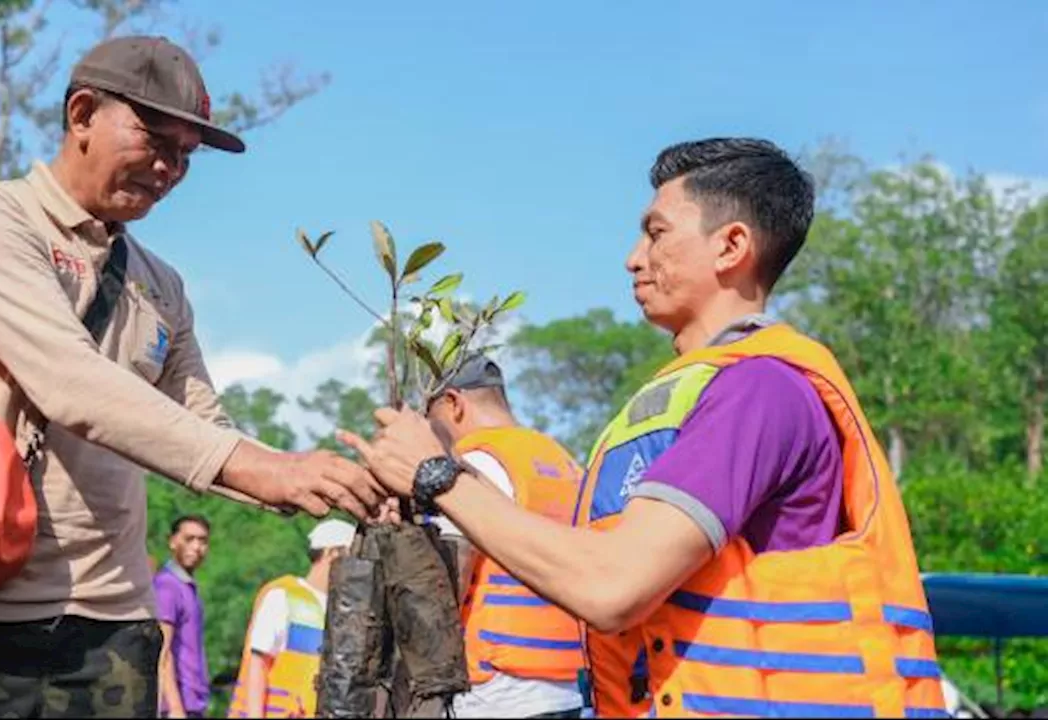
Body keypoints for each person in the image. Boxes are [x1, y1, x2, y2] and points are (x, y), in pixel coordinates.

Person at [0, 35, 385, 719]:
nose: (170, 167)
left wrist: (317, 479)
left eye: (186, 154)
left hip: (109, 631)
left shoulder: (162, 286)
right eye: (156, 138)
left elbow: (204, 424)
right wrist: (255, 467)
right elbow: (67, 379)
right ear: (83, 113)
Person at [341, 138, 948, 718]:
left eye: (657, 232)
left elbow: (612, 584)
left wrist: (438, 473)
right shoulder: (690, 394)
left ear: (731, 246)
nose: (634, 257)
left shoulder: (758, 390)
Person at [422, 355, 586, 719]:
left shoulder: (475, 463)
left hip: (497, 690)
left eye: (431, 421)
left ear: (453, 403)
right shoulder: (563, 459)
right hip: (569, 684)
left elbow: (455, 573)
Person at [228, 519, 356, 719]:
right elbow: (258, 664)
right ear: (332, 553)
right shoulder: (283, 597)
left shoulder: (343, 610)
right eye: (352, 557)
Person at [154, 515, 212, 718]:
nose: (196, 547)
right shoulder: (167, 587)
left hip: (193, 704)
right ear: (172, 541)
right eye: (189, 539)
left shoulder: (187, 588)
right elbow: (162, 650)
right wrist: (175, 707)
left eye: (202, 541)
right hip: (176, 706)